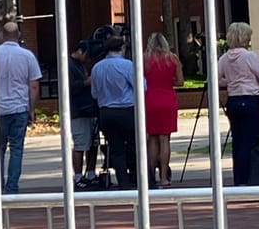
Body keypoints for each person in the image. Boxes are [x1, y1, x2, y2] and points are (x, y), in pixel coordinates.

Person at [0, 21, 41, 195]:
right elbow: (34, 85)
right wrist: (31, 108)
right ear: (18, 35)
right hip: (19, 107)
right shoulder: (27, 56)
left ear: (1, 35)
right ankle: (12, 187)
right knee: (16, 149)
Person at [215, 24, 259, 187]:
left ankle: (239, 178)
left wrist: (229, 81)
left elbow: (215, 77)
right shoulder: (249, 57)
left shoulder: (224, 58)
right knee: (251, 140)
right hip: (250, 100)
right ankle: (251, 176)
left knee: (238, 140)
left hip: (233, 101)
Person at [88, 36, 138, 189]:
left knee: (116, 148)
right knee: (135, 145)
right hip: (127, 110)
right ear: (122, 48)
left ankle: (123, 182)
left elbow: (94, 93)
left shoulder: (97, 67)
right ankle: (138, 177)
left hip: (106, 112)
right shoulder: (127, 65)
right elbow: (141, 87)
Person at [143, 34, 181, 186]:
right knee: (165, 139)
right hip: (168, 99)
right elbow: (181, 81)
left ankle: (151, 177)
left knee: (152, 138)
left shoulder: (144, 59)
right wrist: (167, 80)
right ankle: (164, 177)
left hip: (150, 100)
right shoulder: (172, 58)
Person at [66, 41, 100, 187]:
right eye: (86, 55)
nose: (87, 59)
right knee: (81, 144)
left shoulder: (79, 65)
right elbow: (70, 87)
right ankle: (78, 176)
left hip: (89, 109)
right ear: (80, 51)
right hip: (78, 110)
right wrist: (87, 82)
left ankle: (91, 173)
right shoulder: (68, 65)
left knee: (93, 143)